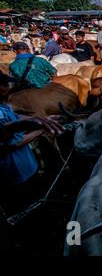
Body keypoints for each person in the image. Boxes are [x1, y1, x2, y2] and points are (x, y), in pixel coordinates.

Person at [0, 72, 64, 213]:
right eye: (4, 85)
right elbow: (14, 143)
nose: (8, 88)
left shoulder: (3, 106)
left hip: (28, 166)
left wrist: (43, 118)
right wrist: (42, 129)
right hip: (14, 175)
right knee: (24, 208)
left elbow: (16, 116)